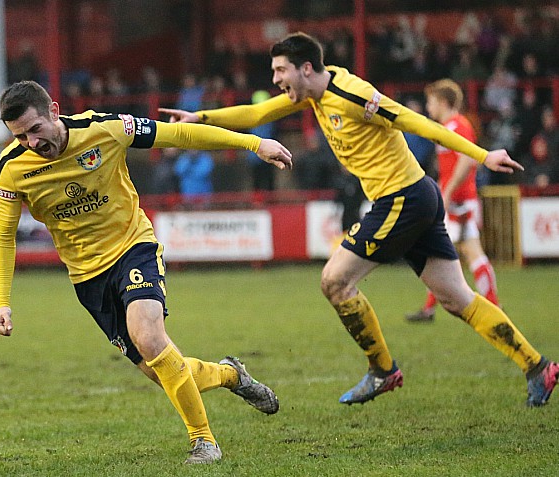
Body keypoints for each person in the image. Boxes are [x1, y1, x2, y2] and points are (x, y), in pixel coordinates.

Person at [159, 32, 558, 408]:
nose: (275, 79)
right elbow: (257, 112)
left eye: (281, 70)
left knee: (335, 280)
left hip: (403, 199)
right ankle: (537, 367)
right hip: (417, 196)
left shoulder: (352, 94)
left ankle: (383, 370)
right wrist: (201, 118)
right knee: (456, 297)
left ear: (306, 69)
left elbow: (413, 121)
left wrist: (482, 154)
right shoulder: (311, 97)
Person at [0, 80, 291, 464]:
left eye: (35, 129)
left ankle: (204, 441)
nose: (32, 142)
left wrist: (252, 143)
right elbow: (2, 237)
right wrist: (2, 302)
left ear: (53, 110)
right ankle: (231, 376)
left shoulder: (106, 128)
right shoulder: (11, 169)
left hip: (133, 248)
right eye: (21, 136)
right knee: (159, 370)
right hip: (87, 277)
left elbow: (178, 133)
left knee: (149, 336)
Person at [405, 79, 499, 322]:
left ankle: (493, 307)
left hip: (460, 202)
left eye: (431, 101)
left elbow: (468, 160)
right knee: (440, 253)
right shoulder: (449, 126)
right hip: (455, 200)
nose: (428, 107)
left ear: (443, 101)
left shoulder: (458, 125)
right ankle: (430, 309)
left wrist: (446, 194)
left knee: (468, 252)